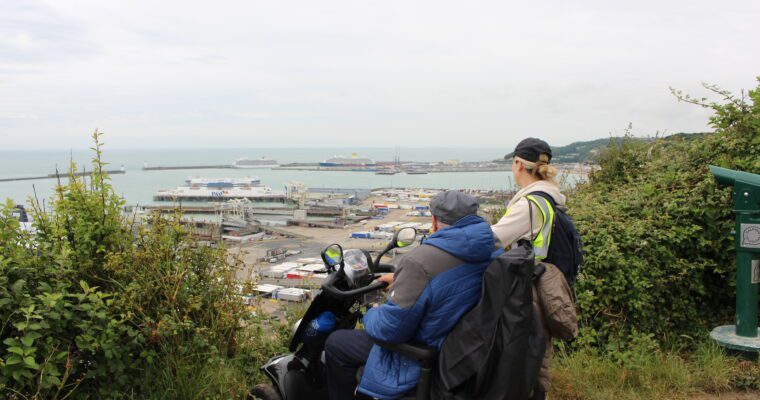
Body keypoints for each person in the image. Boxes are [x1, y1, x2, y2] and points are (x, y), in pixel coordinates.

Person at [325, 190, 498, 400]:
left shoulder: (420, 261)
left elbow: (389, 331)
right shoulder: (492, 248)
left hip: (419, 354)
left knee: (336, 342)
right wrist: (403, 282)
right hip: (459, 349)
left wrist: (372, 312)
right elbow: (447, 285)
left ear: (434, 221)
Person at [493, 138, 578, 400]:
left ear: (518, 164)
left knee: (529, 362)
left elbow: (492, 238)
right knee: (538, 356)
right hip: (548, 286)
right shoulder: (550, 198)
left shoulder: (529, 205)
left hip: (532, 290)